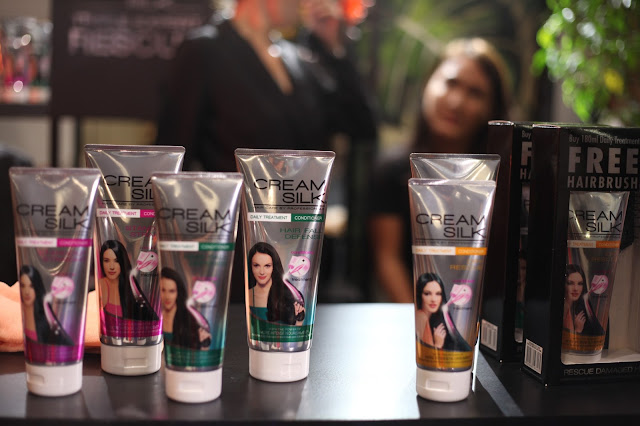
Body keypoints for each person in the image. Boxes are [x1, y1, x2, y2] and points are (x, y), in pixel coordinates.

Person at [156, 0, 377, 302]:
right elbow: (173, 158)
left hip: (300, 247)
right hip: (237, 250)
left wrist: (334, 46)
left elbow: (361, 126)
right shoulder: (205, 50)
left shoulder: (296, 57)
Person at [369, 38, 511, 302]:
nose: (456, 102)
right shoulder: (392, 171)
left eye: (475, 93)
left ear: (492, 108)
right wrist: (425, 317)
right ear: (428, 84)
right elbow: (387, 261)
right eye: (450, 83)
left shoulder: (502, 179)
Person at [99, 240, 157, 321]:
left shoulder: (131, 285)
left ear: (122, 261)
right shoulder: (103, 284)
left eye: (116, 261)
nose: (111, 267)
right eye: (106, 260)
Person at [248, 242, 305, 325]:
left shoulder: (291, 296)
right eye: (256, 265)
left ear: (274, 267)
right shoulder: (248, 295)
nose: (262, 272)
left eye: (267, 266)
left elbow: (296, 330)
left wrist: (299, 321)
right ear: (251, 266)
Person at [414, 272, 470, 352]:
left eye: (438, 294)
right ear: (420, 295)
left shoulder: (436, 319)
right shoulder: (421, 316)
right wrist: (438, 344)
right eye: (427, 294)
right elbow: (428, 355)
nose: (433, 299)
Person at [19, 265, 73, 346]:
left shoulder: (46, 319)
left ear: (37, 287)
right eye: (23, 286)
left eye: (31, 286)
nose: (27, 292)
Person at [160, 267, 211, 350]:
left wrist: (203, 345)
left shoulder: (192, 320)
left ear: (178, 292)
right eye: (163, 290)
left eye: (172, 291)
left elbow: (204, 349)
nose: (167, 296)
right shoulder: (154, 318)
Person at [564, 264, 605, 336]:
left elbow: (599, 333)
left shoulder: (584, 306)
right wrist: (578, 330)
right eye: (571, 283)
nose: (576, 288)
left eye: (580, 284)